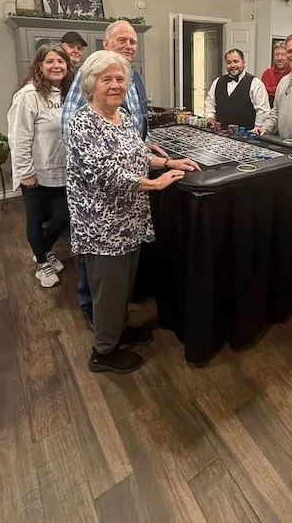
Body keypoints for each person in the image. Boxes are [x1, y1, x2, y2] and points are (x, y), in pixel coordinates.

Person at [66, 51, 200, 374]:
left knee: (122, 286)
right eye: (106, 79)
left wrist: (167, 163)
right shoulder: (82, 123)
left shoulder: (122, 117)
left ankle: (118, 330)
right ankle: (104, 352)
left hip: (130, 222)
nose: (115, 85)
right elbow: (104, 174)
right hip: (102, 227)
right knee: (107, 289)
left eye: (120, 79)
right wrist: (155, 185)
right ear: (90, 84)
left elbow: (138, 154)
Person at [62, 20, 167, 327]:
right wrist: (152, 181)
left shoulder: (132, 83)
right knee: (99, 279)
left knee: (119, 280)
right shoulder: (87, 91)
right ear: (106, 43)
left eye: (133, 42)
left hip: (127, 212)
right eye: (122, 40)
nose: (129, 46)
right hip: (99, 215)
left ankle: (114, 323)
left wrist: (147, 151)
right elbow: (78, 140)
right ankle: (97, 322)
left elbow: (134, 126)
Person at [7, 44, 74, 287]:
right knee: (36, 219)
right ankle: (43, 264)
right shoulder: (28, 95)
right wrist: (25, 172)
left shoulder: (69, 93)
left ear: (68, 66)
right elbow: (18, 137)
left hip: (65, 170)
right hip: (36, 172)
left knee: (64, 216)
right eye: (50, 61)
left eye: (61, 61)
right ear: (39, 66)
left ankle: (42, 250)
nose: (56, 66)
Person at [204, 49, 270, 130]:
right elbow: (209, 102)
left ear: (243, 62)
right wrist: (210, 117)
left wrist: (257, 129)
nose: (232, 65)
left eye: (236, 61)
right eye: (229, 62)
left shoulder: (255, 83)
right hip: (220, 134)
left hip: (245, 135)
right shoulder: (217, 81)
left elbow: (263, 111)